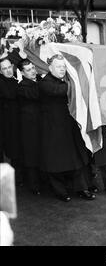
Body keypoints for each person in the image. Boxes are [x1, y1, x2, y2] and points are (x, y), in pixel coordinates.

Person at [38, 54, 95, 202]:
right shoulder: (45, 83)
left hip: (69, 129)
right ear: (50, 68)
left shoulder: (65, 81)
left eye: (64, 66)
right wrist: (78, 82)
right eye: (58, 66)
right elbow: (59, 91)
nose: (62, 69)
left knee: (76, 161)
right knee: (56, 163)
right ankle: (60, 191)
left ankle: (82, 189)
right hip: (53, 131)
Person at [17, 59, 42, 195]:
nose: (32, 71)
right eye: (28, 69)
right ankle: (34, 186)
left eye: (33, 68)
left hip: (40, 125)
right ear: (22, 72)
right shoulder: (22, 87)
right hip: (29, 128)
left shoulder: (37, 81)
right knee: (32, 156)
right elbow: (37, 95)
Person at [0, 58, 22, 183]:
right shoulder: (3, 82)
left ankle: (15, 177)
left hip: (13, 121)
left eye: (9, 67)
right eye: (4, 68)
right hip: (4, 123)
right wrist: (19, 83)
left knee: (14, 150)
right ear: (0, 71)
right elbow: (10, 95)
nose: (8, 70)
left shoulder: (13, 80)